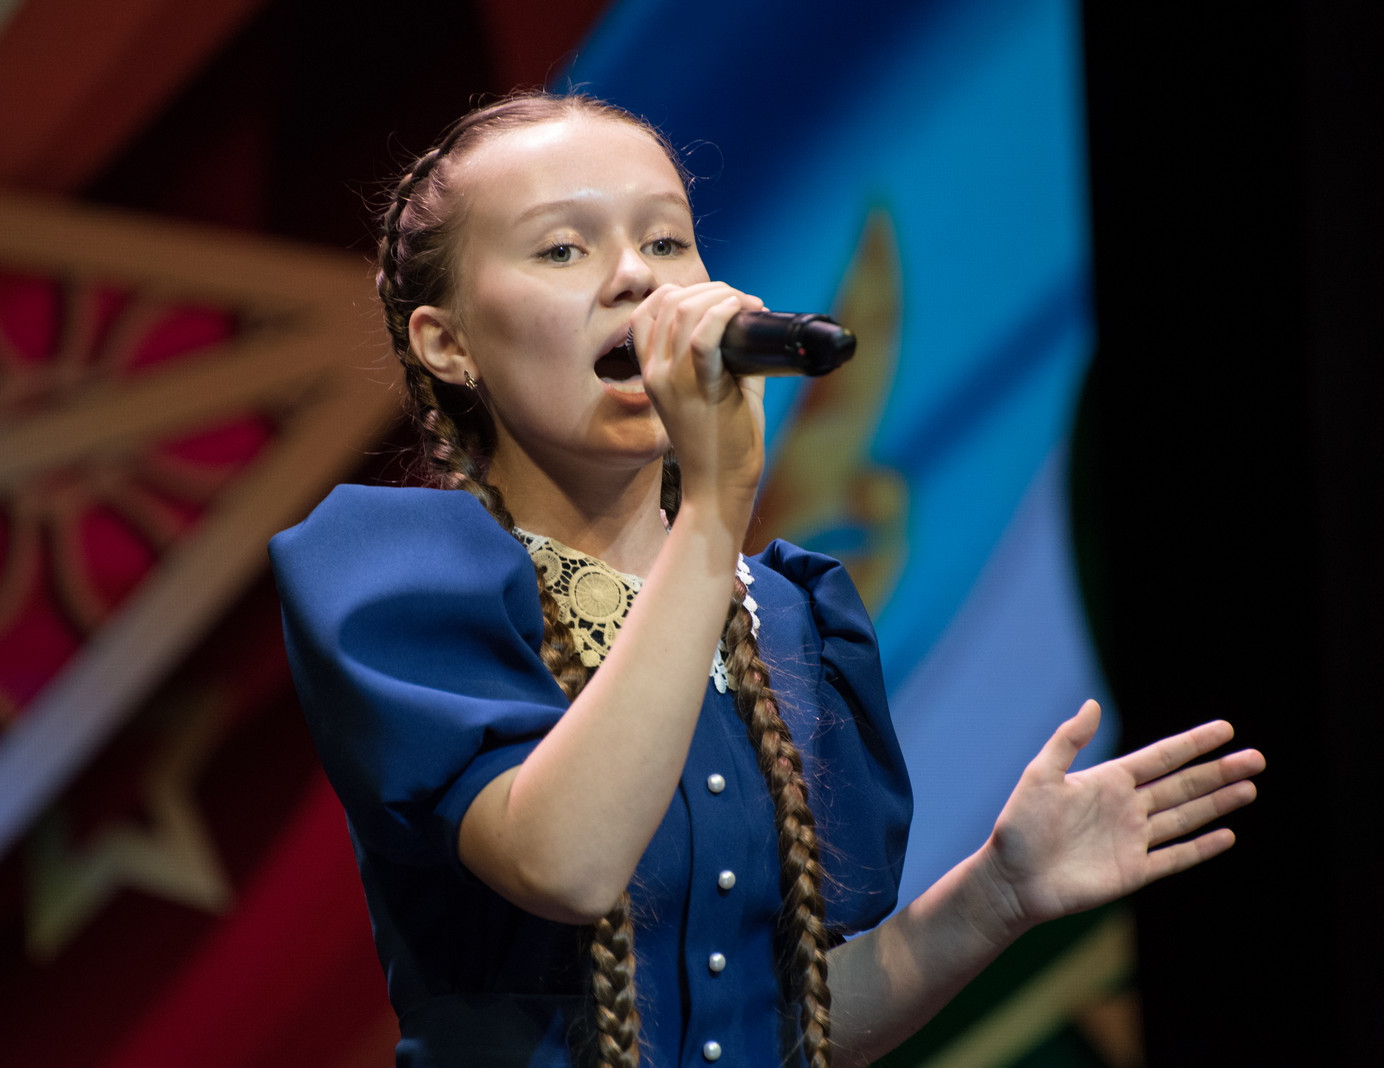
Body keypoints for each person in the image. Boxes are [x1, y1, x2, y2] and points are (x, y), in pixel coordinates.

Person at [270, 91, 1264, 1068]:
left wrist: (995, 897)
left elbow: (797, 1024)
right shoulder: (400, 576)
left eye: (665, 241)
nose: (635, 278)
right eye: (562, 249)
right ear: (446, 344)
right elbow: (564, 864)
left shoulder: (787, 614)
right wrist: (715, 507)